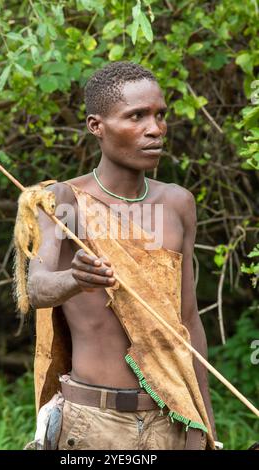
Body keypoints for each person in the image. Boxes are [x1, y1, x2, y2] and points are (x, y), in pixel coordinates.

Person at [27, 61, 217, 450]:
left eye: (160, 115)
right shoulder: (63, 201)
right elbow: (37, 287)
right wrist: (74, 280)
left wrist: (205, 426)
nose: (155, 129)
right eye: (137, 116)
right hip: (92, 424)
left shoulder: (178, 203)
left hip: (170, 421)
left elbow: (189, 322)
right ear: (96, 126)